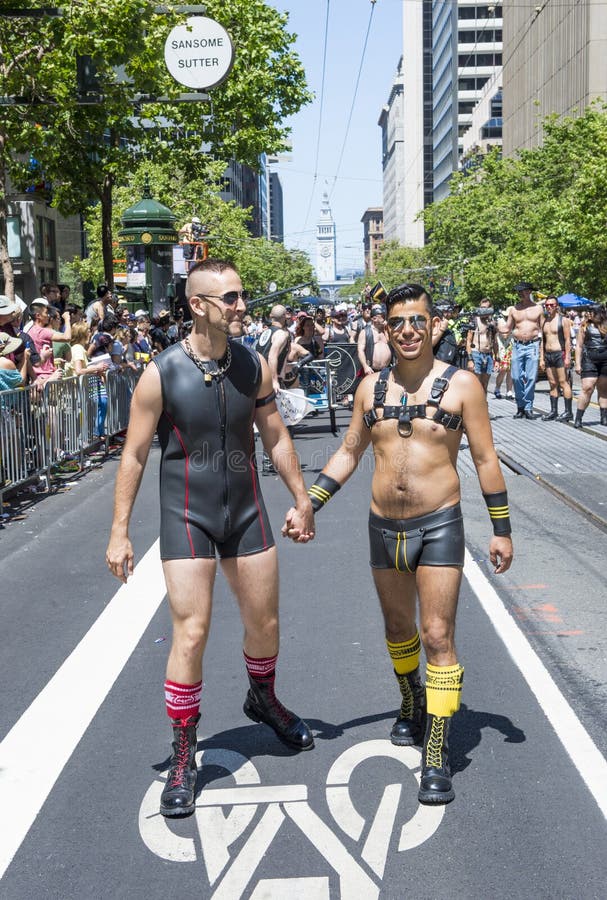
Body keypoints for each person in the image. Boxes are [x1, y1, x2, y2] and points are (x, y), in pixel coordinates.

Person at [288, 282, 513, 805]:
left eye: (417, 321)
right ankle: (411, 698)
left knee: (437, 635)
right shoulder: (370, 388)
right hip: (383, 526)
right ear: (387, 330)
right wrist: (310, 503)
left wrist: (501, 530)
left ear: (434, 325)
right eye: (398, 324)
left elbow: (485, 460)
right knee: (398, 628)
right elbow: (347, 452)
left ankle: (437, 746)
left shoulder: (464, 386)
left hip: (440, 523)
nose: (408, 331)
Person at [106, 258, 315, 819]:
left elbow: (275, 438)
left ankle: (262, 698)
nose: (242, 305)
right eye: (231, 298)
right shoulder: (162, 373)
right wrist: (120, 532)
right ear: (199, 305)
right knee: (191, 633)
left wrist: (301, 497)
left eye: (242, 296)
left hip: (247, 511)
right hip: (188, 516)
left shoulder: (254, 368)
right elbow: (134, 453)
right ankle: (183, 752)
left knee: (264, 623)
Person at [503, 281, 544, 419]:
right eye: (520, 291)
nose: (522, 293)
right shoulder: (514, 309)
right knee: (516, 377)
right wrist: (493, 325)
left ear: (530, 292)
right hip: (517, 345)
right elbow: (507, 328)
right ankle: (520, 406)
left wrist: (543, 351)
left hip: (533, 345)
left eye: (524, 291)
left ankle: (528, 407)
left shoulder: (538, 309)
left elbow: (543, 329)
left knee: (531, 377)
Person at [540, 296, 573, 421]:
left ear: (557, 306)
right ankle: (553, 411)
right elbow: (542, 341)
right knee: (552, 383)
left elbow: (567, 340)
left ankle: (568, 412)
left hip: (559, 353)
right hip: (548, 355)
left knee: (563, 382)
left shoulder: (563, 320)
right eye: (547, 305)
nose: (549, 307)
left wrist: (568, 357)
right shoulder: (544, 321)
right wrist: (541, 358)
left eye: (552, 305)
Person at [574, 305, 607, 428]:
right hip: (589, 359)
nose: (589, 314)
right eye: (589, 311)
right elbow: (579, 346)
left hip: (605, 360)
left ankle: (604, 417)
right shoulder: (584, 326)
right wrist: (577, 363)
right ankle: (578, 418)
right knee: (587, 387)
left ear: (599, 313)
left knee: (604, 389)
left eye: (592, 312)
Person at [255, 304, 291, 393]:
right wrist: (274, 381)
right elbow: (272, 357)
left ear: (271, 315)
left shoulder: (265, 332)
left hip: (260, 377)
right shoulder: (281, 334)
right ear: (285, 316)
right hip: (271, 381)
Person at [465, 299, 498, 394]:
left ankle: (483, 407)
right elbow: (468, 341)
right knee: (476, 384)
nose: (484, 310)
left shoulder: (492, 322)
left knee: (485, 384)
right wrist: (470, 359)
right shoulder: (474, 320)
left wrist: (497, 358)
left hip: (488, 355)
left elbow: (494, 341)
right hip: (476, 353)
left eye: (487, 308)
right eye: (482, 308)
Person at [357, 303, 392, 376]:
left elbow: (392, 343)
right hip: (371, 370)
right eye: (381, 317)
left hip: (387, 369)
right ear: (374, 318)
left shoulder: (387, 331)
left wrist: (386, 329)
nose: (384, 319)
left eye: (384, 316)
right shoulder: (365, 332)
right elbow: (360, 350)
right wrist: (365, 366)